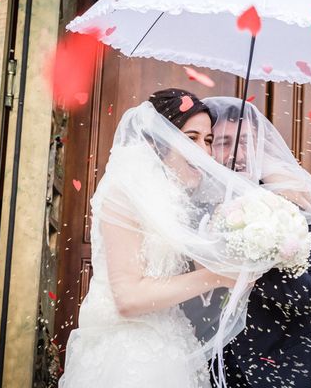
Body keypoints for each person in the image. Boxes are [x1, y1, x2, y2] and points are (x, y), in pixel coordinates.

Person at [59, 89, 278, 387]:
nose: (205, 151)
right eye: (191, 138)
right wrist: (217, 276)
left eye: (208, 140)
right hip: (131, 355)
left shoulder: (178, 198)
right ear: (157, 142)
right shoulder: (124, 194)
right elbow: (128, 299)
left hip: (174, 344)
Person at [203, 96, 311, 387]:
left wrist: (252, 260)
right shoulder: (195, 206)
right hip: (216, 368)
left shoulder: (294, 202)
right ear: (207, 148)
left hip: (290, 365)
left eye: (246, 142)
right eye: (224, 143)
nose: (238, 154)